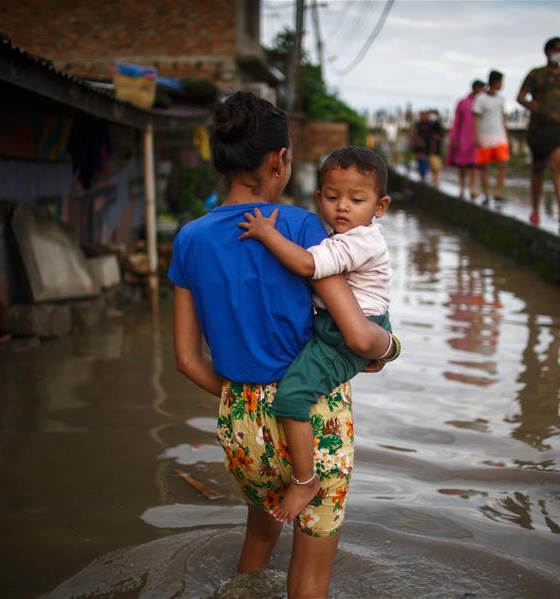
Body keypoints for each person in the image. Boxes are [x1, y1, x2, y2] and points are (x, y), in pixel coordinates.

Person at [169, 92, 397, 598]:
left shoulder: (189, 238)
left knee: (258, 533)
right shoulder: (301, 228)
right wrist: (388, 347)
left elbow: (187, 361)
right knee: (310, 578)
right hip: (312, 420)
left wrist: (243, 397)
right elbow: (356, 329)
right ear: (279, 160)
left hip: (239, 421)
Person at [237, 145, 395, 524]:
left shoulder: (360, 240)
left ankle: (305, 480)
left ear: (380, 207)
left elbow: (309, 264)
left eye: (356, 199)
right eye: (332, 196)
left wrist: (266, 233)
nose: (342, 207)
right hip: (341, 328)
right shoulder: (342, 234)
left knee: (291, 396)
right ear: (317, 196)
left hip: (347, 333)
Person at [517, 36, 560, 225]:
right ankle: (535, 210)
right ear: (546, 52)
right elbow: (520, 97)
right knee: (538, 168)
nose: (558, 54)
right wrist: (531, 105)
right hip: (540, 130)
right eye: (554, 50)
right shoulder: (536, 74)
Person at [473, 70, 510, 205]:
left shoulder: (501, 99)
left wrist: (506, 134)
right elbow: (475, 119)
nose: (502, 85)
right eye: (501, 82)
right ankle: (486, 193)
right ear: (495, 82)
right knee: (484, 167)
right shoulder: (480, 99)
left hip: (500, 137)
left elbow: (502, 118)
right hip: (485, 138)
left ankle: (498, 193)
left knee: (503, 164)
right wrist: (477, 137)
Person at [447, 80, 484, 199]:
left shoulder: (481, 103)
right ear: (476, 88)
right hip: (463, 137)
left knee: (474, 165)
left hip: (477, 138)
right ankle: (462, 187)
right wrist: (454, 137)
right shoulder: (463, 103)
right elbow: (457, 121)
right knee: (462, 165)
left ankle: (473, 188)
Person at [412, 110, 442, 184]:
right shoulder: (419, 124)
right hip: (422, 146)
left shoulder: (431, 124)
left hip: (429, 146)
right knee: (423, 160)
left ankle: (433, 177)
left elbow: (436, 135)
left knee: (432, 162)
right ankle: (426, 176)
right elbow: (415, 133)